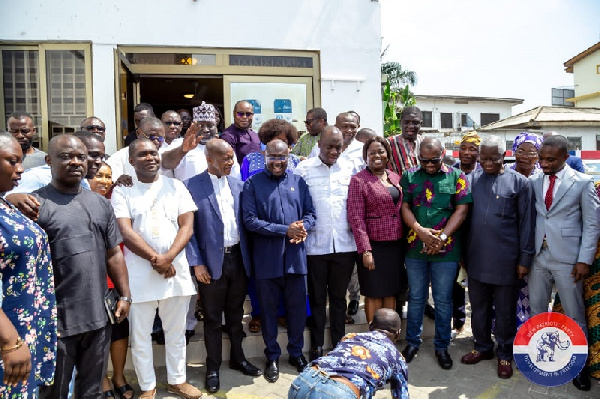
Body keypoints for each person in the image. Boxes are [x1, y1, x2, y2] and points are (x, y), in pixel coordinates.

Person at [33, 134, 131, 398]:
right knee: (54, 392)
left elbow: (114, 254)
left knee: (92, 392)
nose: (75, 162)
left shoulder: (100, 203)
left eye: (81, 156)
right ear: (49, 160)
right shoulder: (35, 205)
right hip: (57, 322)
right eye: (65, 156)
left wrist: (124, 295)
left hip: (98, 319)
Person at [111, 138, 200, 399]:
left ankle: (177, 380)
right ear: (131, 161)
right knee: (140, 336)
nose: (150, 158)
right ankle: (148, 386)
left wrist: (168, 257)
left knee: (176, 332)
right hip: (139, 275)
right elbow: (125, 231)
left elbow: (187, 225)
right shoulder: (122, 191)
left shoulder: (176, 186)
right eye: (143, 155)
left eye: (153, 153)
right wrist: (156, 259)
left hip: (176, 271)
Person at [185, 139, 262, 394]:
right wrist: (196, 264)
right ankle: (213, 367)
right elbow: (188, 231)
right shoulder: (191, 186)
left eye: (232, 158)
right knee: (212, 319)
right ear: (209, 159)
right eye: (226, 158)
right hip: (210, 263)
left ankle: (238, 358)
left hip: (238, 259)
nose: (231, 162)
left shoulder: (239, 185)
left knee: (236, 313)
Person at [528, 135, 600, 391]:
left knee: (574, 315)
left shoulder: (582, 183)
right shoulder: (534, 180)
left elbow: (592, 224)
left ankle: (578, 366)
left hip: (569, 260)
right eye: (541, 159)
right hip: (538, 257)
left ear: (565, 157)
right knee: (537, 311)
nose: (544, 164)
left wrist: (584, 259)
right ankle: (541, 360)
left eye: (550, 159)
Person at [460, 135, 535, 379]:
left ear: (504, 156)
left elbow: (527, 225)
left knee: (504, 310)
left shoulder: (520, 183)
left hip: (507, 259)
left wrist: (524, 259)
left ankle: (505, 352)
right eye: (484, 158)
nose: (488, 163)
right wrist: (462, 255)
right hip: (476, 256)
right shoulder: (470, 180)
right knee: (478, 307)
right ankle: (482, 347)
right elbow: (463, 221)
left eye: (494, 158)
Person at [242, 139, 316, 382]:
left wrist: (303, 227)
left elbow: (311, 214)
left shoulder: (298, 182)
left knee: (296, 311)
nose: (278, 162)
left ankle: (296, 353)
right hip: (266, 260)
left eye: (282, 157)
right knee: (269, 312)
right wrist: (285, 230)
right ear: (265, 155)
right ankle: (272, 356)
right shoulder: (253, 184)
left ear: (289, 156)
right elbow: (250, 221)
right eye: (273, 157)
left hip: (296, 259)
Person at [399, 137, 472, 370]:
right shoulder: (409, 176)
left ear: (443, 154)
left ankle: (441, 347)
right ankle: (412, 343)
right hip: (415, 249)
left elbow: (462, 210)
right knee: (417, 298)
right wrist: (420, 232)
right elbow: (405, 207)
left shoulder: (456, 176)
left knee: (442, 300)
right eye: (424, 160)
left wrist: (440, 238)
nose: (429, 165)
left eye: (434, 160)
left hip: (446, 250)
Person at [295, 126, 359, 361]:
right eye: (329, 146)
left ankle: (339, 345)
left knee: (339, 298)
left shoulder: (351, 168)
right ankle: (317, 346)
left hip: (344, 245)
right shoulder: (303, 170)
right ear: (319, 144)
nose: (334, 151)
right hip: (315, 246)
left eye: (338, 147)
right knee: (318, 298)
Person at [0, 131, 57, 397]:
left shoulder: (6, 204)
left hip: (28, 331)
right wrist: (10, 342)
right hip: (8, 339)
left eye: (21, 160)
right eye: (12, 161)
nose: (21, 168)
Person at [241, 119, 301, 333]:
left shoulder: (295, 161)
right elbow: (243, 188)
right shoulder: (251, 159)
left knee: (287, 275)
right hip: (259, 226)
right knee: (260, 275)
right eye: (274, 140)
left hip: (289, 229)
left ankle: (282, 312)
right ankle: (258, 313)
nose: (278, 145)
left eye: (283, 141)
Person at [87, 162, 134, 399]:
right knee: (98, 335)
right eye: (98, 176)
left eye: (108, 177)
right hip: (90, 282)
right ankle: (102, 378)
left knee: (119, 330)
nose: (103, 181)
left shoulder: (116, 200)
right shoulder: (78, 202)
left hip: (115, 279)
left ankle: (118, 376)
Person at [288, 308, 408, 399]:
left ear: (370, 325)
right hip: (338, 393)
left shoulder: (350, 337)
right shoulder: (397, 358)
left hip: (304, 381)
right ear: (398, 333)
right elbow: (401, 396)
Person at [348, 135, 403, 323]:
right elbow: (356, 218)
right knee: (374, 292)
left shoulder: (395, 177)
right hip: (373, 246)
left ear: (387, 154)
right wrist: (365, 250)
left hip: (395, 245)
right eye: (372, 152)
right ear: (366, 156)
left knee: (391, 291)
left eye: (381, 151)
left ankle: (389, 338)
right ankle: (374, 339)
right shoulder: (359, 180)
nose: (377, 155)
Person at [508, 131, 543, 330]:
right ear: (514, 151)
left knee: (533, 294)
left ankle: (529, 334)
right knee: (506, 293)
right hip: (508, 243)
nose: (526, 156)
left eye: (532, 152)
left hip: (536, 246)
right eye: (521, 150)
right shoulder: (505, 174)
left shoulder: (543, 178)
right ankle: (506, 334)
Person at [451, 131, 482, 339]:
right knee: (455, 282)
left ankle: (481, 328)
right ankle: (459, 322)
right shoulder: (450, 172)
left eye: (473, 149)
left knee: (478, 283)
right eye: (464, 148)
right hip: (454, 233)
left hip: (479, 235)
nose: (467, 152)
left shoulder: (484, 173)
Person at [346, 127, 378, 319]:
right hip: (353, 224)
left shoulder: (382, 169)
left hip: (375, 229)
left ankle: (358, 298)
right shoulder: (348, 162)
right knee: (352, 269)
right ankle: (354, 298)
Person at [162, 102, 241, 182]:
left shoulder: (224, 147)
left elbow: (235, 179)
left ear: (216, 126)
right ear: (193, 126)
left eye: (210, 126)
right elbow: (165, 163)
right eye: (201, 126)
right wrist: (182, 150)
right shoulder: (179, 144)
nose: (206, 130)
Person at [107, 116, 166, 181]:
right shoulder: (118, 159)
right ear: (138, 133)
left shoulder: (167, 155)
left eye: (160, 138)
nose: (156, 142)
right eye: (151, 137)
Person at [387, 106, 422, 175]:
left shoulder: (426, 143)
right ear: (401, 123)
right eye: (406, 122)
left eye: (415, 123)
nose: (410, 126)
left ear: (421, 124)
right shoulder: (388, 144)